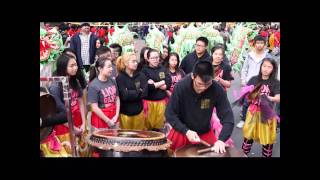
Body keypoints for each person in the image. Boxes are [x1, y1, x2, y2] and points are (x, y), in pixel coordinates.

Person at [165, 60, 234, 152]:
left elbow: (228, 117)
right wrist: (186, 131)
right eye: (200, 84)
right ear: (193, 76)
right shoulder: (181, 87)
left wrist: (221, 139)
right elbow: (170, 113)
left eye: (208, 84)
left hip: (204, 132)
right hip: (182, 132)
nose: (203, 88)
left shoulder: (217, 89)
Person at [47, 54, 87, 156]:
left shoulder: (75, 80)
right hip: (64, 125)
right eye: (72, 66)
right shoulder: (55, 85)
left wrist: (84, 122)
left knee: (82, 151)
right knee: (69, 151)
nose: (75, 68)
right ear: (63, 67)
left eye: (76, 65)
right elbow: (57, 111)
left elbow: (80, 101)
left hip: (78, 121)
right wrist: (72, 128)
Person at [241, 58, 280, 157]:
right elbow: (246, 95)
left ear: (273, 69)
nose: (266, 69)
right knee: (248, 136)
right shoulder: (254, 79)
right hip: (253, 112)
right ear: (261, 66)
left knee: (267, 138)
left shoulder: (275, 82)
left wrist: (269, 98)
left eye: (269, 67)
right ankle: (243, 154)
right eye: (264, 66)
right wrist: (251, 96)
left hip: (267, 115)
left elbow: (278, 97)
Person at [237, 35, 272, 128]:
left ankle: (260, 122)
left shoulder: (268, 56)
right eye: (258, 43)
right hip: (249, 82)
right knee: (246, 102)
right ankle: (243, 120)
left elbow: (271, 69)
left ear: (265, 45)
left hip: (262, 83)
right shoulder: (249, 55)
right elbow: (244, 69)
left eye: (261, 43)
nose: (259, 45)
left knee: (262, 102)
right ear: (254, 44)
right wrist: (243, 81)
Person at [141, 49, 172, 131]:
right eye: (153, 58)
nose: (155, 60)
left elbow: (168, 82)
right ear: (148, 59)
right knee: (147, 129)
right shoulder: (144, 70)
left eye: (157, 57)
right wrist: (162, 83)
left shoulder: (163, 68)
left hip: (161, 103)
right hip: (148, 103)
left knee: (160, 129)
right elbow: (148, 87)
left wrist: (155, 83)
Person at [116, 53, 148, 130]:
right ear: (126, 63)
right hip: (125, 115)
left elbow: (145, 93)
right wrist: (138, 91)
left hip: (139, 113)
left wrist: (130, 92)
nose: (136, 63)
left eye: (136, 61)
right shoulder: (120, 78)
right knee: (126, 138)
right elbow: (124, 96)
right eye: (133, 61)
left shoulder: (141, 76)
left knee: (139, 137)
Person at [87, 57, 120, 133]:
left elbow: (117, 98)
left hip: (114, 115)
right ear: (100, 69)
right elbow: (94, 107)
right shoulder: (93, 85)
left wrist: (116, 115)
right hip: (101, 118)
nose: (111, 69)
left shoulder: (113, 81)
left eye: (111, 66)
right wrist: (107, 120)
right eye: (108, 67)